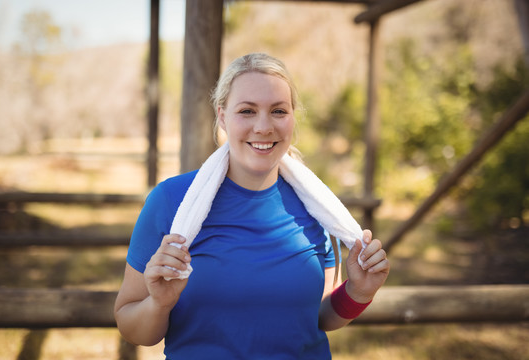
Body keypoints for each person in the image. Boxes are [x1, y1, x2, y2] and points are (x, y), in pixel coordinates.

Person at [114, 53, 390, 359]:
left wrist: (358, 293)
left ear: (292, 116)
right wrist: (159, 303)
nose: (263, 126)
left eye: (278, 111)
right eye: (247, 111)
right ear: (222, 116)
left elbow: (319, 318)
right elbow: (131, 327)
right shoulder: (171, 201)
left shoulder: (317, 204)